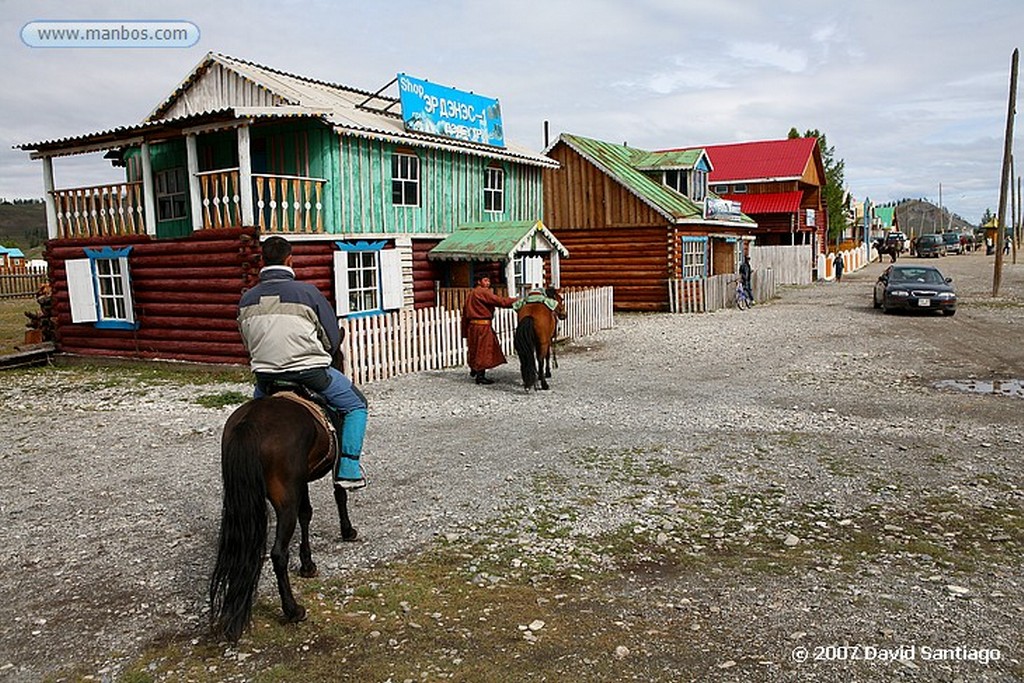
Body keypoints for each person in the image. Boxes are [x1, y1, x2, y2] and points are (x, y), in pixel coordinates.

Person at [237, 236, 368, 489]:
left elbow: (247, 342)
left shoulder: (247, 299)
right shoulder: (308, 293)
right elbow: (331, 339)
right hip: (310, 374)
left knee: (253, 421)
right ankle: (349, 469)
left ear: (263, 260)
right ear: (290, 259)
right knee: (356, 405)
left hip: (266, 379)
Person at [461, 274, 517, 385]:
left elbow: (465, 314)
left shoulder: (471, 294)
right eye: (485, 280)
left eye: (488, 281)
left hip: (472, 326)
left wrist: (465, 331)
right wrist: (517, 301)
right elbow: (500, 301)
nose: (488, 283)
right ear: (479, 282)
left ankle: (474, 369)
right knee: (483, 349)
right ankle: (480, 376)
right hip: (482, 326)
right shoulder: (483, 292)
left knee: (474, 348)